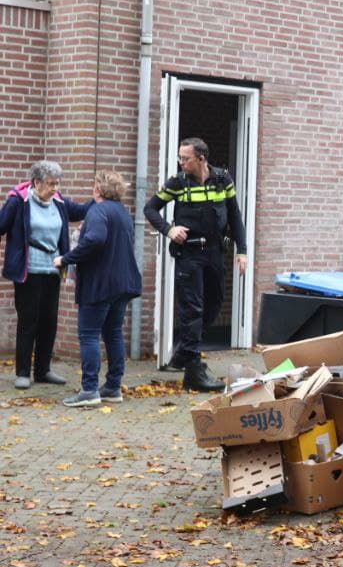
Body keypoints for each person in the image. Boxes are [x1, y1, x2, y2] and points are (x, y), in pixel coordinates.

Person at [144, 137, 247, 391]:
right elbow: (151, 208)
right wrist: (169, 230)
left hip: (214, 252)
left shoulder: (223, 180)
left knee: (214, 305)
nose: (181, 162)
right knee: (193, 309)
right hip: (189, 255)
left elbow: (235, 215)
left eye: (185, 158)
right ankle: (187, 361)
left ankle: (186, 358)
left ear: (201, 159)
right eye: (180, 157)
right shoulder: (177, 183)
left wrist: (242, 250)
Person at [0, 161, 93, 390]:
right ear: (37, 182)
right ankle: (23, 372)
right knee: (28, 320)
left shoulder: (59, 201)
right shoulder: (18, 201)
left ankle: (43, 370)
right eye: (51, 184)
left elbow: (81, 212)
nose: (55, 188)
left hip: (53, 269)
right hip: (28, 270)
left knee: (49, 321)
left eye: (57, 183)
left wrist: (102, 196)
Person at [54, 172, 143, 408]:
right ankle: (113, 387)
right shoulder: (123, 213)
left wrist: (66, 259)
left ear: (98, 190)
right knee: (113, 333)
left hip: (100, 284)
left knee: (89, 335)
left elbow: (94, 240)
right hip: (122, 283)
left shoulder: (98, 211)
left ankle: (90, 389)